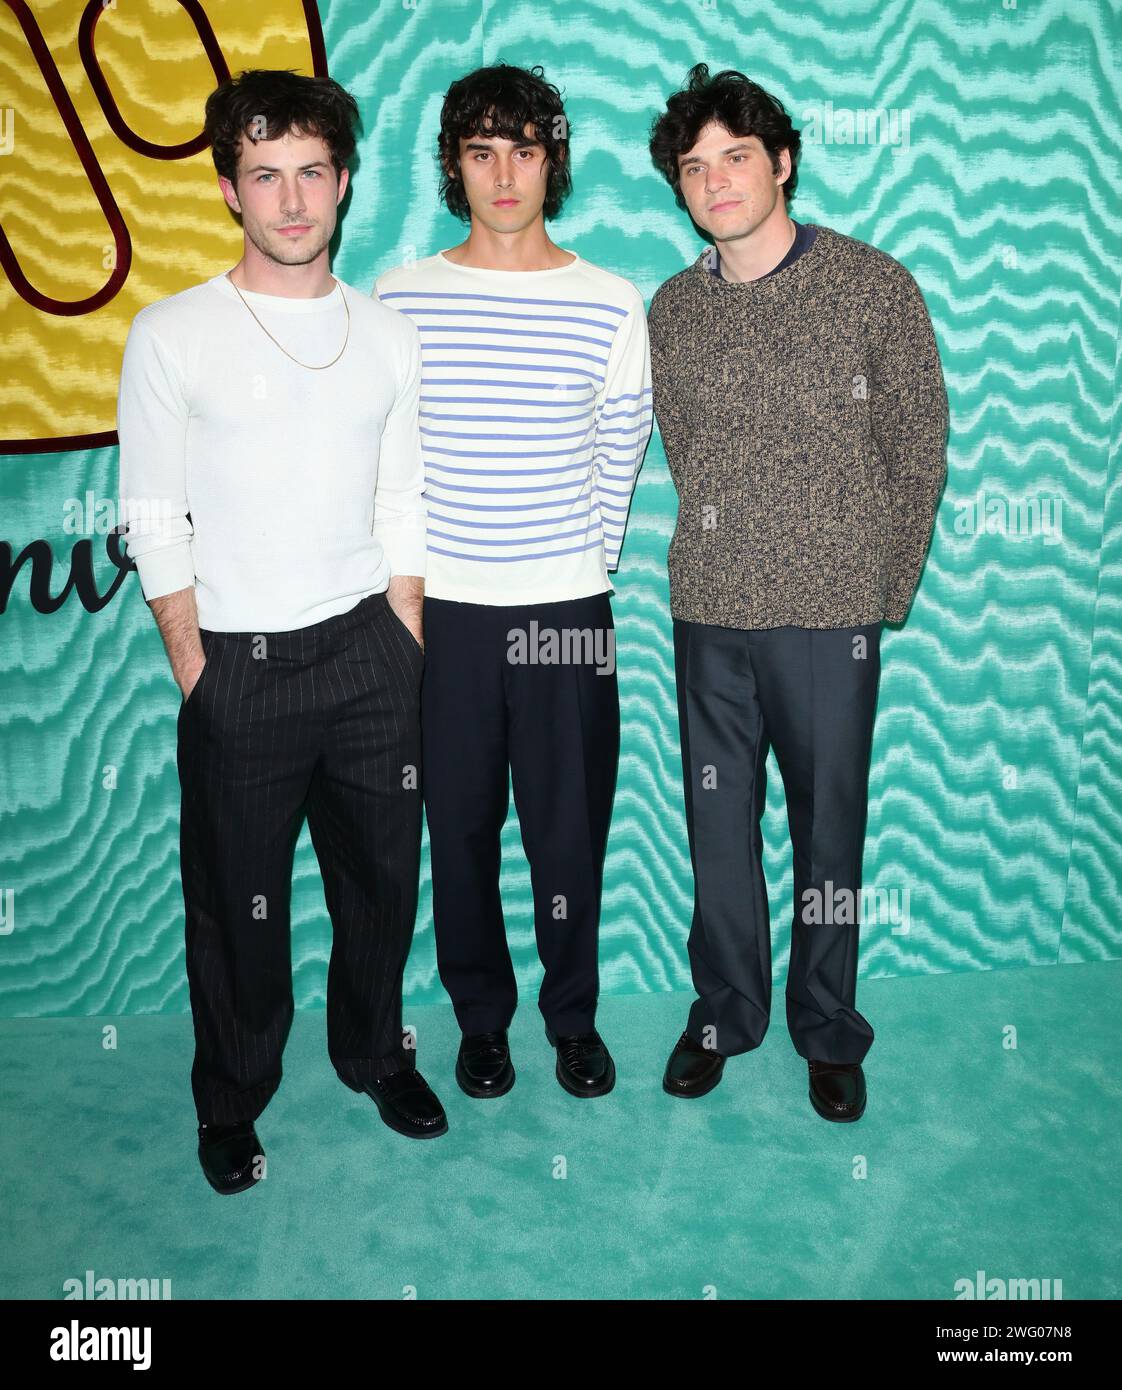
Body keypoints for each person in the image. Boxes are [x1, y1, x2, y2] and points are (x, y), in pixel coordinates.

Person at [116, 69, 446, 1195]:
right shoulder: (172, 335)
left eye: (312, 172)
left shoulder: (388, 334)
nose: (292, 199)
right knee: (236, 910)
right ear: (229, 190)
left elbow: (404, 498)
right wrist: (197, 668)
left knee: (382, 888)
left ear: (343, 184)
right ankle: (231, 1101)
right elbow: (154, 514)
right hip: (238, 667)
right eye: (267, 175)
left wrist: (401, 637)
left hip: (368, 655)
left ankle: (372, 1054)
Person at [646, 65, 948, 1121]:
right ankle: (726, 1009)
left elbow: (919, 443)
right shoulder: (673, 309)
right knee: (716, 831)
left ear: (782, 163)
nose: (717, 180)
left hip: (832, 618)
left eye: (737, 156)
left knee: (830, 832)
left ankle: (828, 1025)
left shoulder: (875, 284)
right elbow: (686, 450)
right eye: (695, 166)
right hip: (712, 611)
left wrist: (881, 582)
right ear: (679, 188)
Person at [375, 63, 652, 1101]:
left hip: (568, 612)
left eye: (524, 149)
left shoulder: (610, 303)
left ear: (553, 161)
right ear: (455, 164)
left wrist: (570, 572)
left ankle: (571, 1019)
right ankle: (479, 1021)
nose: (505, 173)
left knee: (567, 829)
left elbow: (616, 461)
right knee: (459, 829)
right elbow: (388, 458)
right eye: (482, 151)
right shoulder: (398, 298)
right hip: (442, 616)